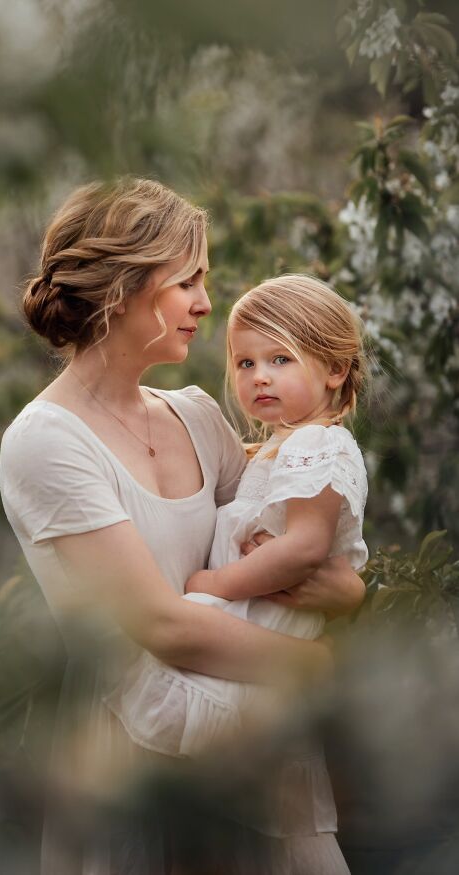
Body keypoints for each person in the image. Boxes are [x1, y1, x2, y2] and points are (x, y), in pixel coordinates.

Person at [0, 178, 364, 875]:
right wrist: (323, 669)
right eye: (186, 281)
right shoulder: (46, 441)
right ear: (121, 288)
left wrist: (349, 593)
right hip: (134, 761)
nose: (205, 302)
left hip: (251, 741)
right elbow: (162, 626)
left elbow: (290, 548)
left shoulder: (197, 415)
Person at [105, 274, 368, 845]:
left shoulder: (316, 445)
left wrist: (219, 582)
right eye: (245, 363)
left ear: (335, 369)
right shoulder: (280, 446)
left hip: (261, 628)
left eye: (280, 358)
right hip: (251, 630)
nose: (260, 376)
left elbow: (305, 548)